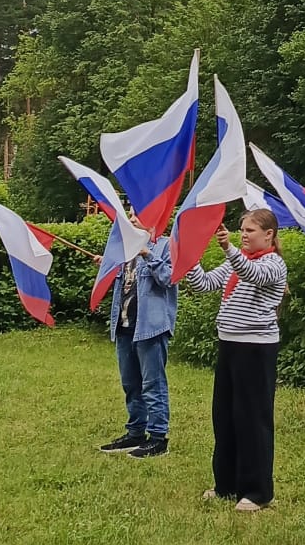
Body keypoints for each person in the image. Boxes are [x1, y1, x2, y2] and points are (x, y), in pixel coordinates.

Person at [184, 209, 288, 513]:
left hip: (256, 349)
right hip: (229, 345)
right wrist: (189, 259)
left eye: (250, 230)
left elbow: (252, 275)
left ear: (268, 235)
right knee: (225, 416)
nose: (243, 234)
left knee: (252, 419)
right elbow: (204, 284)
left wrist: (228, 249)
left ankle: (256, 492)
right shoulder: (235, 262)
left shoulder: (272, 264)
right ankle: (226, 484)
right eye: (241, 229)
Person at [99, 213, 177, 458]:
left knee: (152, 384)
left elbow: (169, 278)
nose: (130, 219)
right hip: (124, 325)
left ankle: (157, 438)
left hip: (150, 327)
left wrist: (147, 254)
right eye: (130, 214)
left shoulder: (165, 246)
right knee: (131, 383)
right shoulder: (124, 249)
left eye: (136, 215)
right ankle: (135, 432)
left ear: (153, 220)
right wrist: (106, 265)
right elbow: (126, 284)